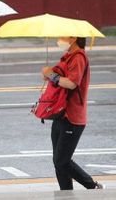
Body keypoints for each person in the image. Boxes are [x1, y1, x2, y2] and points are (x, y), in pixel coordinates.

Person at [42, 37, 104, 190]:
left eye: (64, 36)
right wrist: (48, 74)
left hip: (73, 117)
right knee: (58, 162)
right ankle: (66, 194)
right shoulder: (67, 56)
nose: (60, 39)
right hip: (60, 114)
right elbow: (57, 79)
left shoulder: (79, 57)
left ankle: (92, 186)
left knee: (61, 160)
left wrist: (52, 75)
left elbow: (71, 83)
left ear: (74, 38)